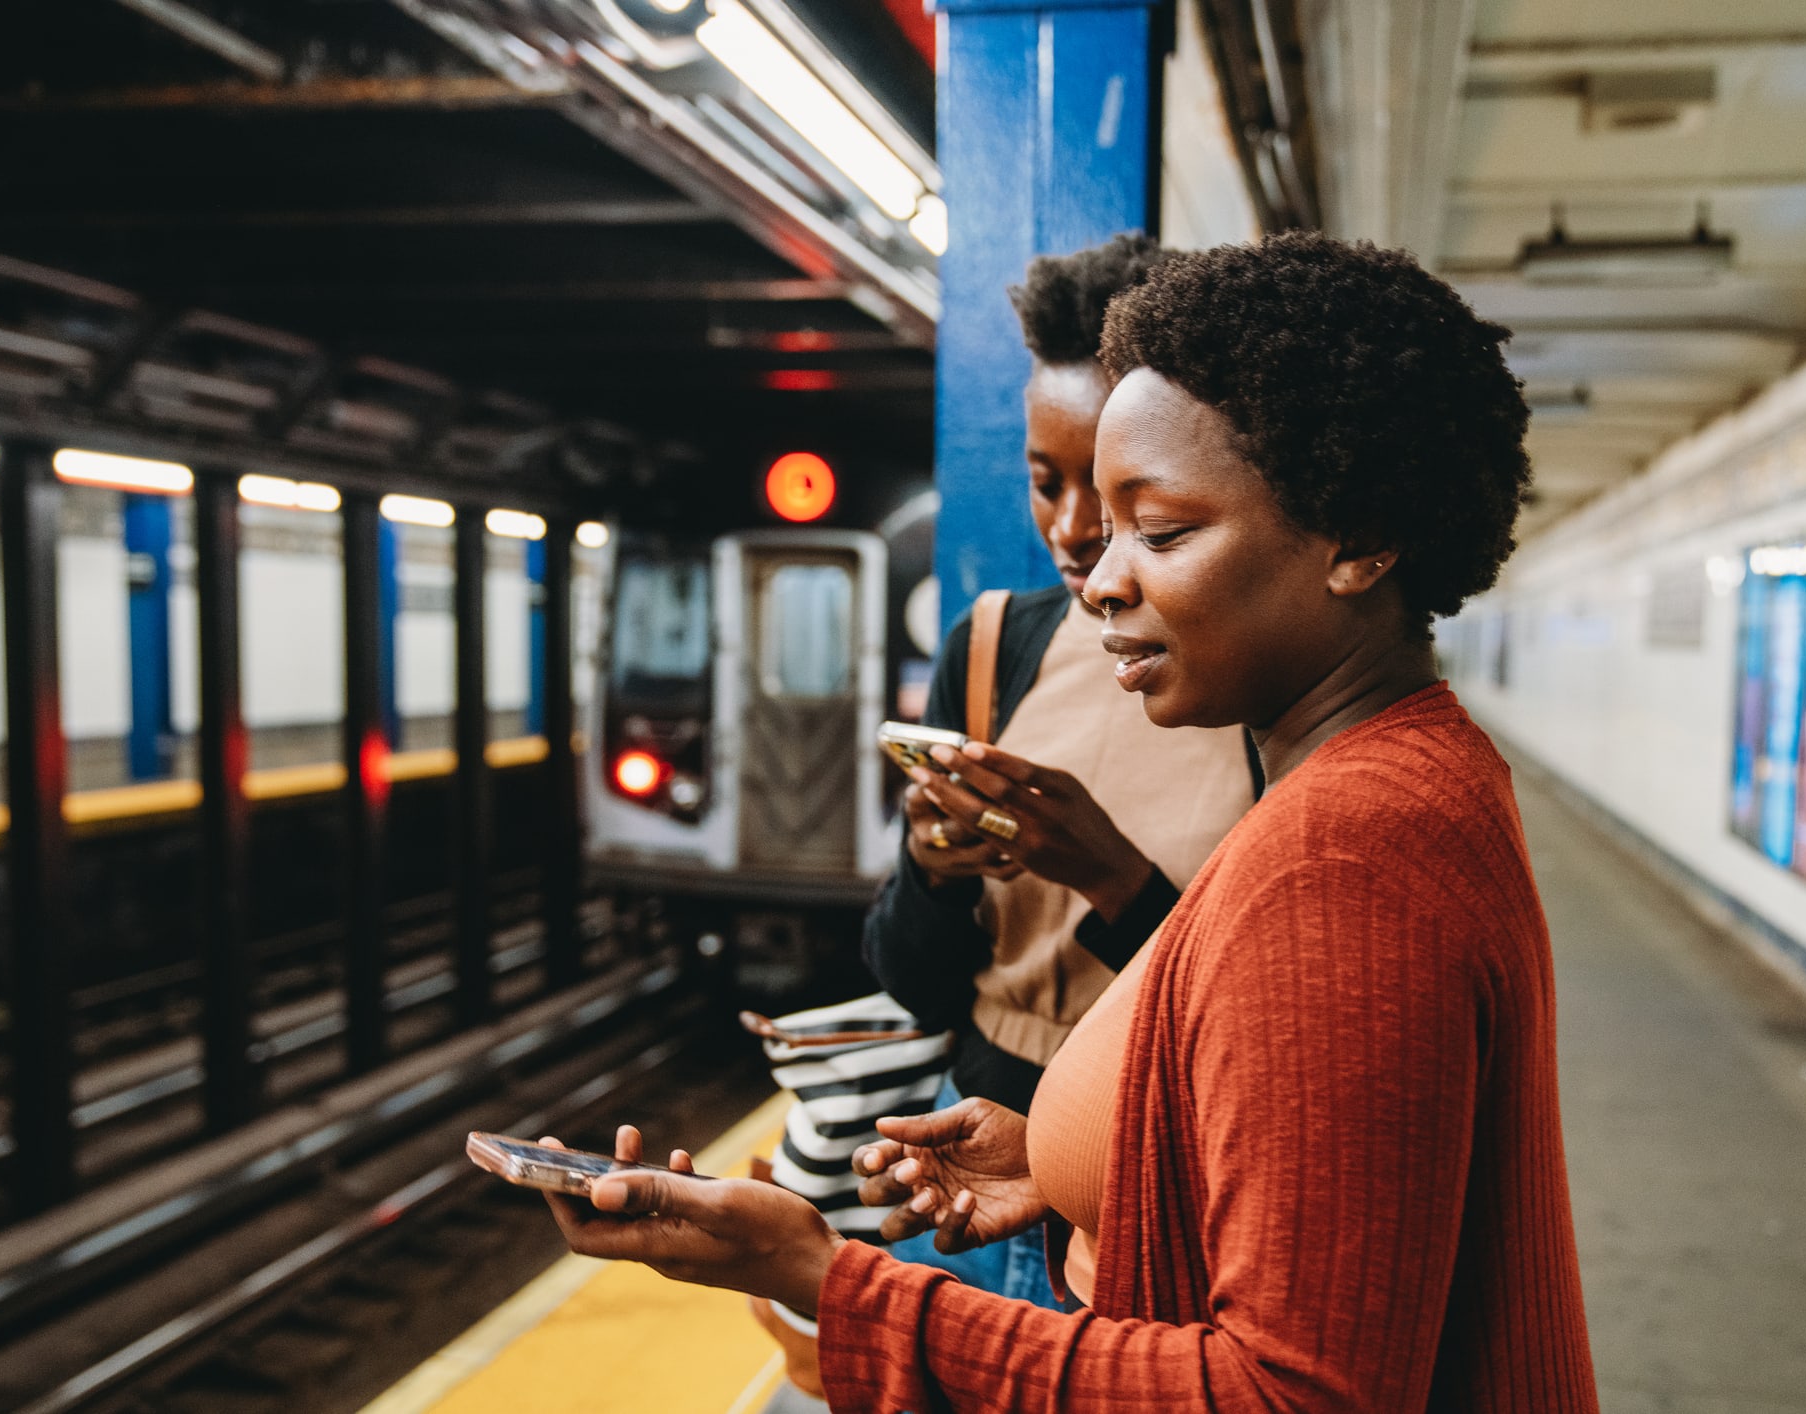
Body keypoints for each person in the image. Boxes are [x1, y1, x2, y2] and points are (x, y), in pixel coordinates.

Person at [533, 234, 1600, 1411]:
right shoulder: (1387, 777)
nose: (1097, 576)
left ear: (1357, 539)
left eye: (1162, 529)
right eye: (1089, 511)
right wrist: (1062, 1165)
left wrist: (827, 1277)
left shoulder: (1341, 859)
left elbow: (1292, 1395)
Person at [861, 233, 1259, 1307]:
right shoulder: (993, 648)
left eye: (1126, 494)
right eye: (1046, 483)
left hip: (1148, 1207)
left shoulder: (1249, 684)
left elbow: (1256, 1014)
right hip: (968, 1182)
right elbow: (915, 980)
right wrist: (933, 869)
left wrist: (1110, 874)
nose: (1076, 530)